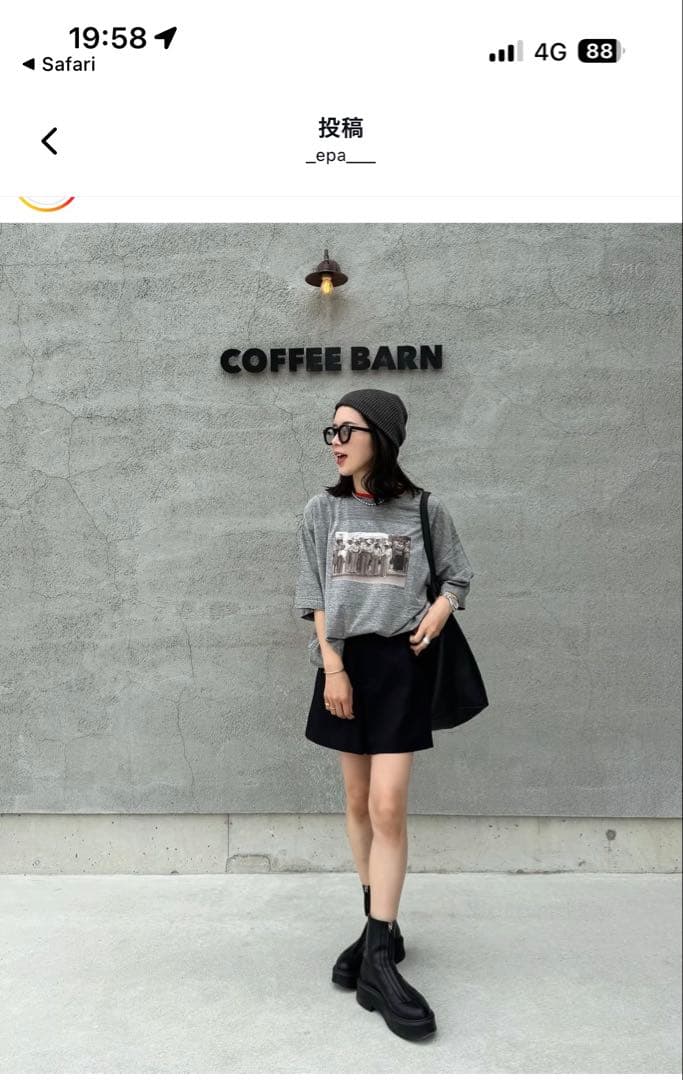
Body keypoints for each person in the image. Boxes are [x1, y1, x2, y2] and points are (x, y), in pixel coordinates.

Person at [294, 388, 474, 1042]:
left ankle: (375, 957)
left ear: (383, 437)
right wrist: (333, 667)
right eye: (331, 431)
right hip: (344, 667)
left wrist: (438, 612)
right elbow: (314, 594)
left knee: (387, 805)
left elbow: (457, 576)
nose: (335, 442)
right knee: (355, 800)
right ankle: (382, 931)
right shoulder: (322, 510)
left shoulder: (424, 508)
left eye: (348, 430)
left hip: (400, 668)